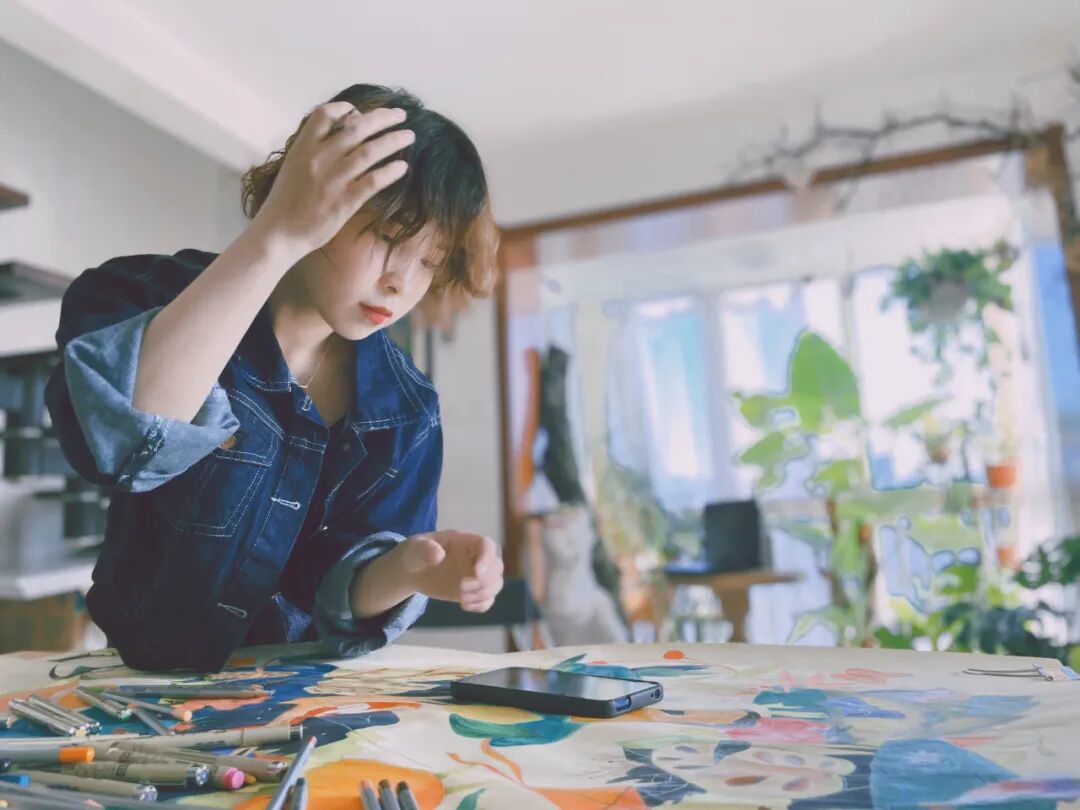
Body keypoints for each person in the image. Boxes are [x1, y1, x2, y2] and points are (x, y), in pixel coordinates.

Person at [45, 84, 504, 672]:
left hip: (300, 700)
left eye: (430, 262)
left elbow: (340, 596)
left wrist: (410, 568)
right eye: (389, 239)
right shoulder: (142, 295)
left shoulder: (407, 409)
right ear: (312, 191)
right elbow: (128, 443)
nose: (401, 282)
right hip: (138, 687)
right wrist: (276, 234)